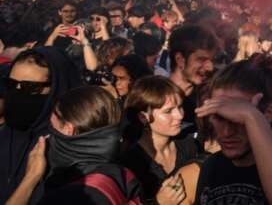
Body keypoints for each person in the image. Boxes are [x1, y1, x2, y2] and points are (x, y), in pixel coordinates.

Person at [193, 60, 272, 204]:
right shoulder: (211, 167)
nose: (227, 132)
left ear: (268, 113)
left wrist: (251, 116)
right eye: (219, 117)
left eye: (238, 119)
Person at [8, 86, 139, 205]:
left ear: (68, 130)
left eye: (52, 127)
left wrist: (31, 178)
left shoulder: (75, 195)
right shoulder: (123, 176)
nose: (47, 136)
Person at [1, 48, 81, 203]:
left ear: (56, 88)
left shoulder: (68, 150)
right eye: (11, 84)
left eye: (30, 87)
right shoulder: (6, 134)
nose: (17, 92)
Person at [120, 76, 199, 204]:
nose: (179, 115)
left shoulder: (190, 145)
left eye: (180, 107)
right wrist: (158, 202)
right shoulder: (129, 164)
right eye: (168, 111)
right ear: (143, 117)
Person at [167, 24, 219, 134]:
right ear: (180, 60)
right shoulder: (153, 97)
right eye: (202, 59)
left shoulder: (208, 100)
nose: (210, 67)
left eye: (212, 60)